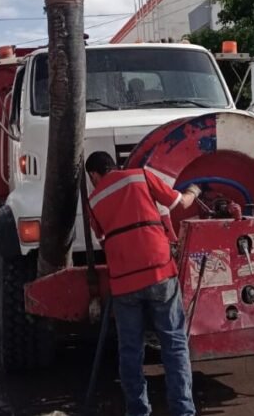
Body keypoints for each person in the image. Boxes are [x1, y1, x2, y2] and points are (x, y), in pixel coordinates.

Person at [85, 151, 202, 416]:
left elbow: (102, 237)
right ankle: (182, 411)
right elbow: (179, 203)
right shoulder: (140, 176)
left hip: (124, 283)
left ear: (94, 174)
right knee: (173, 344)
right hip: (159, 273)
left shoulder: (94, 200)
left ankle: (138, 411)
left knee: (130, 350)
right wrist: (194, 190)